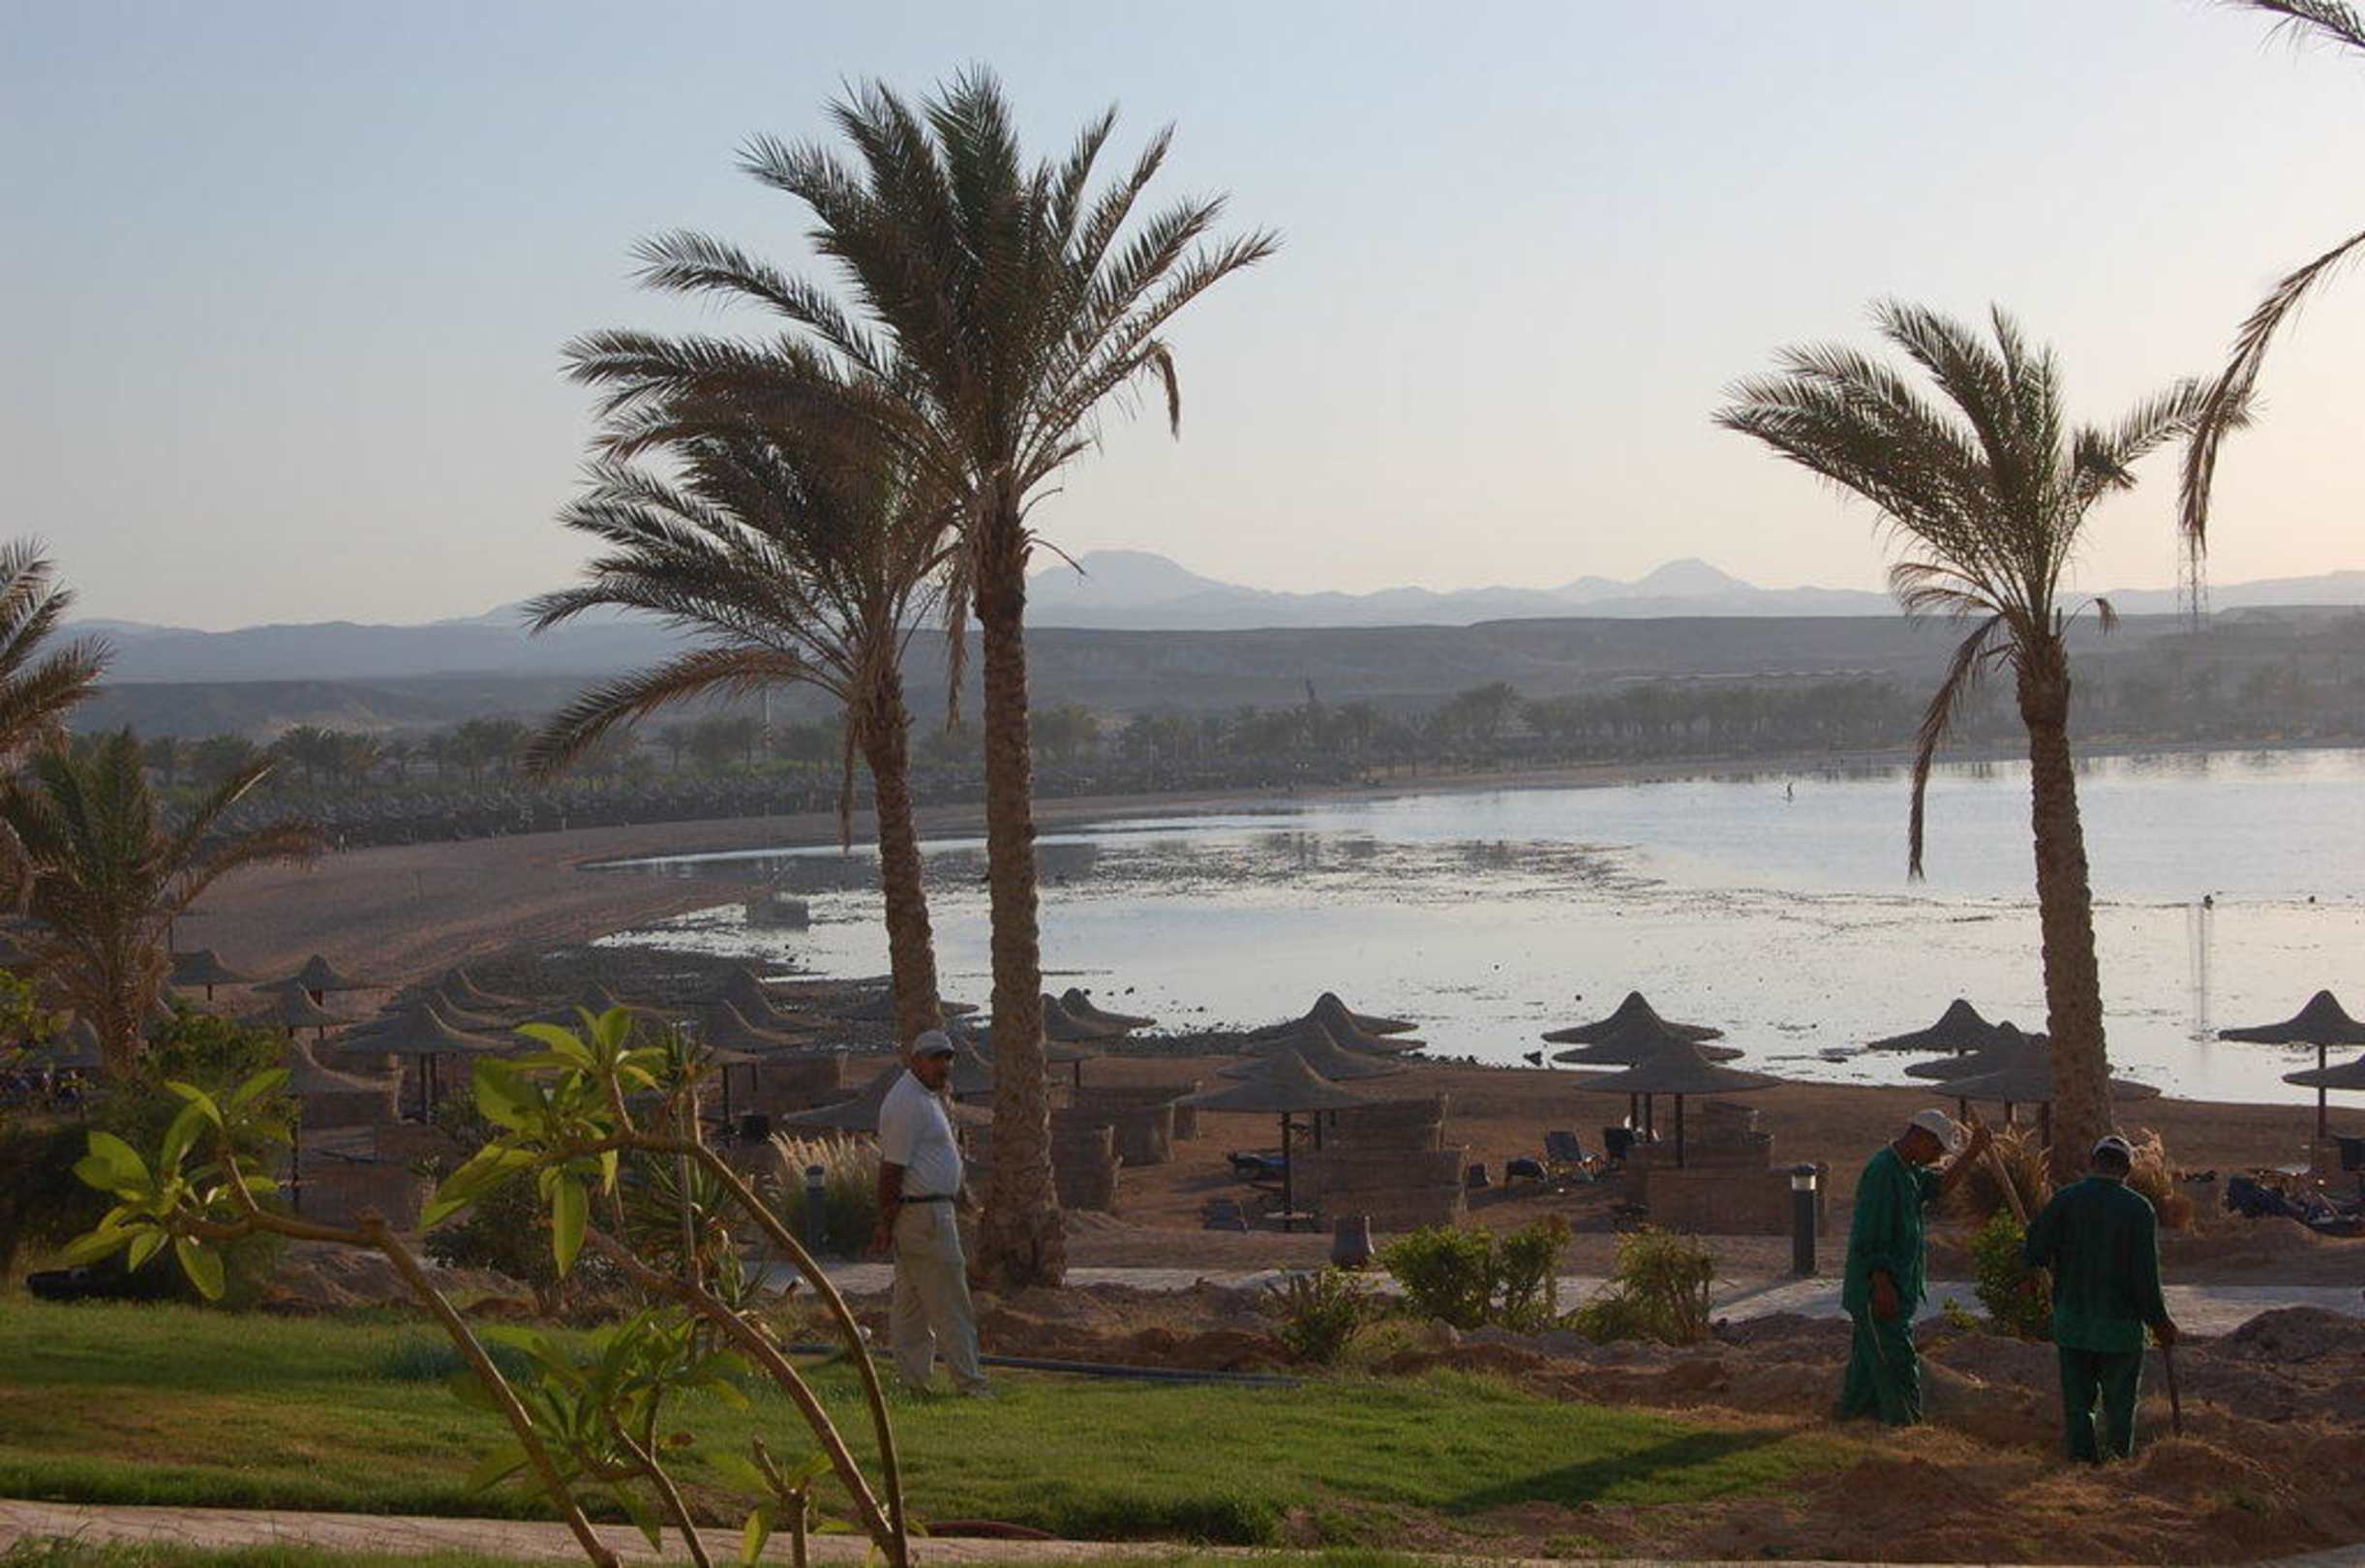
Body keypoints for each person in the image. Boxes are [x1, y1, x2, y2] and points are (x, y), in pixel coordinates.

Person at [2022, 1133, 2178, 1462]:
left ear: (2093, 1162)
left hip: (2073, 1324)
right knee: (2120, 1407)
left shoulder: (2066, 1199)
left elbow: (2034, 1249)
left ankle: (2081, 1464)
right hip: (2120, 1330)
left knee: (2078, 1405)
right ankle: (2116, 1465)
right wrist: (2160, 1321)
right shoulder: (2138, 1209)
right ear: (2127, 1170)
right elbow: (2146, 1277)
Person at [1839, 1107, 1992, 1425]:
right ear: (1920, 1137)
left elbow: (1939, 1187)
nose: (1938, 1157)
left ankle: (1851, 1421)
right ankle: (1906, 1426)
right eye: (1937, 1149)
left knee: (1868, 1366)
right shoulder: (1883, 1173)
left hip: (1895, 1287)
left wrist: (1972, 1153)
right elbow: (1871, 1233)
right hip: (1878, 1291)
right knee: (1897, 1361)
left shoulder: (1907, 1171)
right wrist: (1882, 1283)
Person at [869, 1030, 990, 1398]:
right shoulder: (908, 1102)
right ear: (915, 1060)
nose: (944, 1065)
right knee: (951, 1302)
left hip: (924, 1213)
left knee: (911, 1308)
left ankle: (914, 1384)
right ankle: (971, 1386)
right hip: (925, 1216)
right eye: (936, 1058)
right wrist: (885, 1221)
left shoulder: (923, 1097)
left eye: (948, 1058)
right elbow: (892, 1169)